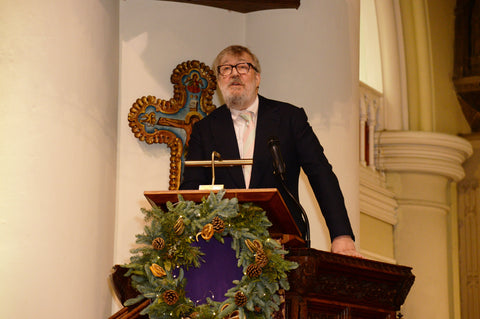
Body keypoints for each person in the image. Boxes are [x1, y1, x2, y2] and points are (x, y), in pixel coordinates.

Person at [180, 45, 361, 257]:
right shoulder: (205, 128)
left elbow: (321, 174)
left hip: (283, 241)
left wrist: (341, 236)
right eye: (226, 69)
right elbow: (191, 188)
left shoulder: (289, 118)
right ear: (219, 82)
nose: (235, 74)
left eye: (243, 67)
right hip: (222, 244)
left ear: (257, 78)